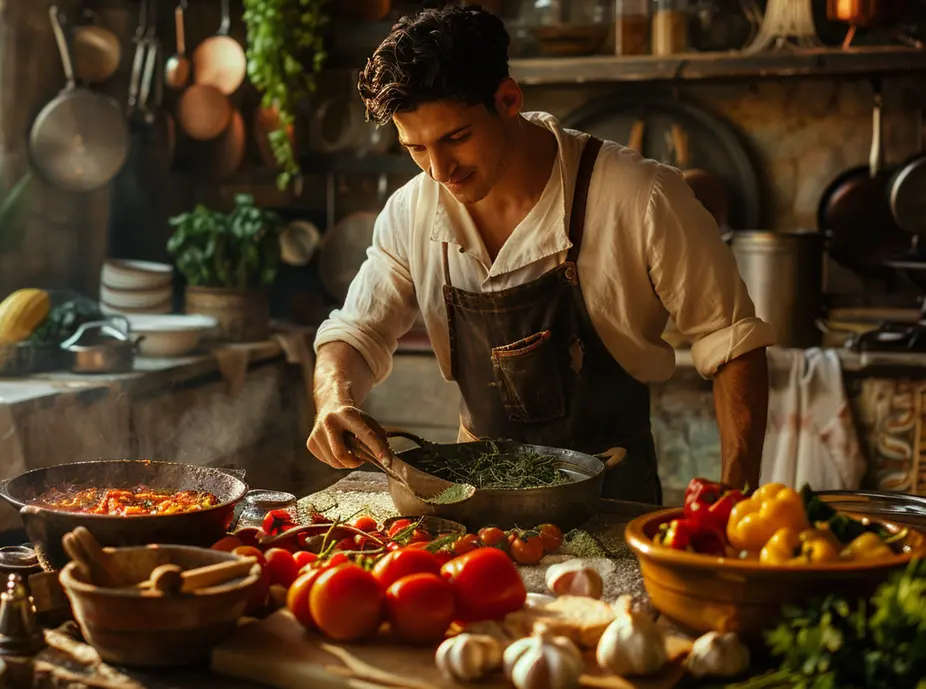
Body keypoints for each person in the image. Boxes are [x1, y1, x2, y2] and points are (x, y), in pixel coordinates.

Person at [305, 4, 774, 504]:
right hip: (474, 501)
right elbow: (357, 332)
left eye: (456, 138)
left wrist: (735, 499)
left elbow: (732, 343)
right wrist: (334, 397)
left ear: (508, 100)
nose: (439, 170)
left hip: (613, 499)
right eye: (416, 148)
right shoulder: (410, 211)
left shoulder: (642, 196)